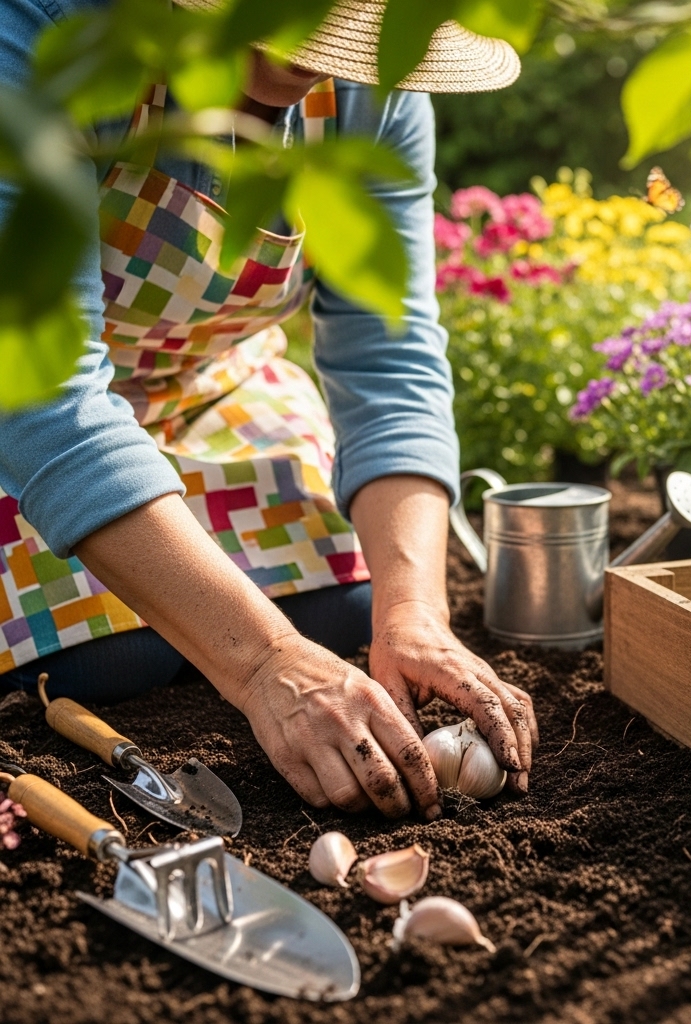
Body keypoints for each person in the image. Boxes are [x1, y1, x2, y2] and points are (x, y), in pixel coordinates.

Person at [0, 0, 537, 819]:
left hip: (210, 393)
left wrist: (416, 614)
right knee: (103, 662)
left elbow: (389, 360)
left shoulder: (372, 88)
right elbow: (44, 398)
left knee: (353, 614)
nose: (317, 56)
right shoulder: (45, 35)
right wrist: (263, 664)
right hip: (26, 416)